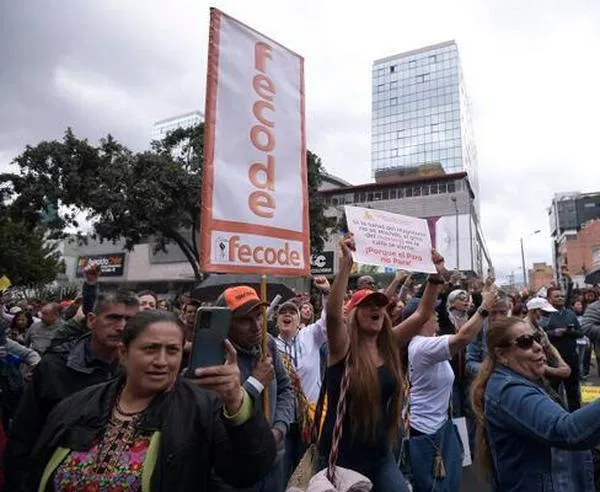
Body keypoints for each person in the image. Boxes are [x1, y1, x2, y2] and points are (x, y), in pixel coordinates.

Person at [20, 310, 276, 491]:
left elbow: (249, 471)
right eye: (150, 349)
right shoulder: (76, 406)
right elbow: (28, 467)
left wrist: (236, 403)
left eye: (172, 350)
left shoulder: (201, 408)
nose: (161, 361)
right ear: (123, 353)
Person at [320, 235, 443, 491]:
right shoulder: (342, 349)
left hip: (381, 456)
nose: (375, 308)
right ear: (353, 316)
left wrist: (435, 276)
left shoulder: (388, 344)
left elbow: (422, 314)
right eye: (366, 305)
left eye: (379, 304)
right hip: (340, 459)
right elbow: (333, 315)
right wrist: (345, 264)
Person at [4, 290, 140, 490]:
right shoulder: (55, 367)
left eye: (130, 320)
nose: (121, 327)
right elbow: (24, 434)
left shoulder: (139, 372)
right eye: (113, 318)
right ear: (92, 320)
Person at [471, 317, 599, 491]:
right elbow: (566, 430)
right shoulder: (508, 389)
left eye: (537, 338)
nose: (538, 346)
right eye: (525, 342)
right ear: (501, 355)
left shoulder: (526, 377)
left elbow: (564, 371)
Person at [405, 287, 496, 491]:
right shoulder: (421, 346)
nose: (437, 314)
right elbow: (463, 338)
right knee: (434, 486)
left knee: (449, 482)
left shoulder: (430, 342)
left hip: (441, 425)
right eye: (431, 312)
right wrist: (484, 307)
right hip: (425, 431)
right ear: (416, 320)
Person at [211, 285, 295, 492]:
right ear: (226, 323)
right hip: (235, 473)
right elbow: (221, 413)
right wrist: (256, 382)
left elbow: (286, 389)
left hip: (274, 463)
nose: (256, 326)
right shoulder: (214, 357)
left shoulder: (269, 345)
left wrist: (279, 429)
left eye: (259, 316)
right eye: (245, 320)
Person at [275, 277, 330, 479]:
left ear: (299, 321)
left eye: (292, 312)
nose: (287, 313)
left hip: (311, 419)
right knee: (282, 472)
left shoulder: (311, 336)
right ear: (276, 321)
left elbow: (328, 320)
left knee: (307, 473)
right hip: (284, 422)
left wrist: (326, 293)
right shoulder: (270, 345)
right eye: (283, 312)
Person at [543, 287, 584, 411]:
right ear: (549, 299)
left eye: (561, 296)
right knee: (553, 391)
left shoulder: (570, 314)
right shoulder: (545, 315)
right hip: (553, 360)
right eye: (556, 296)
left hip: (571, 357)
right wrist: (554, 333)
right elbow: (539, 334)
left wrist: (569, 331)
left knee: (573, 390)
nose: (560, 298)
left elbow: (580, 333)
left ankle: (576, 417)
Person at [525, 297, 571, 382]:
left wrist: (561, 362)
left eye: (549, 314)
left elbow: (549, 346)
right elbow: (528, 359)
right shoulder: (524, 330)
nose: (548, 317)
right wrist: (555, 371)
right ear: (533, 311)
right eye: (545, 313)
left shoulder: (539, 328)